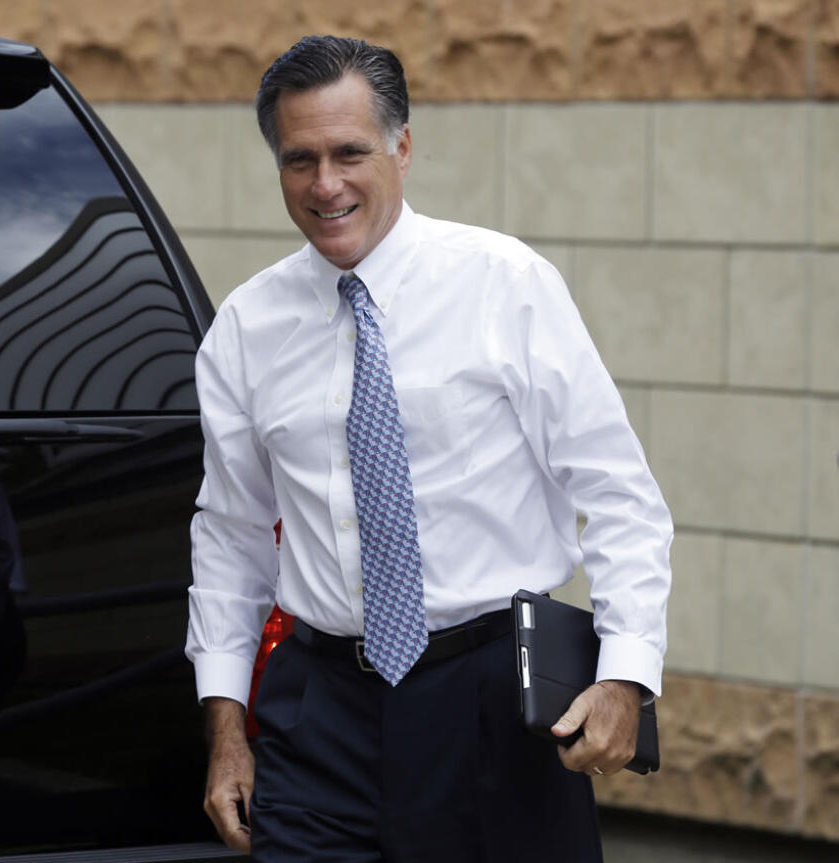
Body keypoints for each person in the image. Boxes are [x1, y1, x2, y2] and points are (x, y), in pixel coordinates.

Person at [186, 34, 672, 862]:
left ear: (403, 148)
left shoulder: (504, 284)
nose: (325, 184)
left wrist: (626, 675)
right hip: (318, 716)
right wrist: (227, 728)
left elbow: (620, 494)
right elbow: (231, 536)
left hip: (492, 705)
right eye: (299, 159)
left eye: (350, 152)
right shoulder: (245, 327)